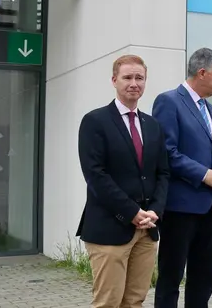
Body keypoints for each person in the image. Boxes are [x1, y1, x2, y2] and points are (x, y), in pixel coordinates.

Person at [76, 54, 170, 308]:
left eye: (140, 78)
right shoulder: (95, 121)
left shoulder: (153, 125)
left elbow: (163, 173)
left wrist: (155, 210)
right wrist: (131, 212)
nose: (134, 83)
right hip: (110, 228)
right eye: (127, 77)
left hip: (146, 229)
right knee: (109, 302)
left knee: (134, 301)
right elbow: (95, 175)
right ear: (114, 80)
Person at [153, 48, 212, 308]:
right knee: (171, 277)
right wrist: (204, 174)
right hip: (179, 208)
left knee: (204, 278)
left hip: (209, 208)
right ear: (202, 72)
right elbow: (167, 151)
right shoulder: (169, 101)